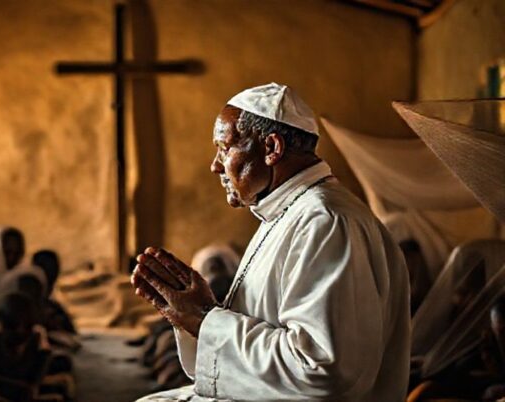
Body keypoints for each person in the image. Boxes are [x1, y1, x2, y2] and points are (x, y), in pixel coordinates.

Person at [131, 83, 410, 401]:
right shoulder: (288, 212)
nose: (216, 165)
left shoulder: (325, 221)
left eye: (224, 149)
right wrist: (198, 316)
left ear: (271, 148)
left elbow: (323, 371)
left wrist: (206, 318)